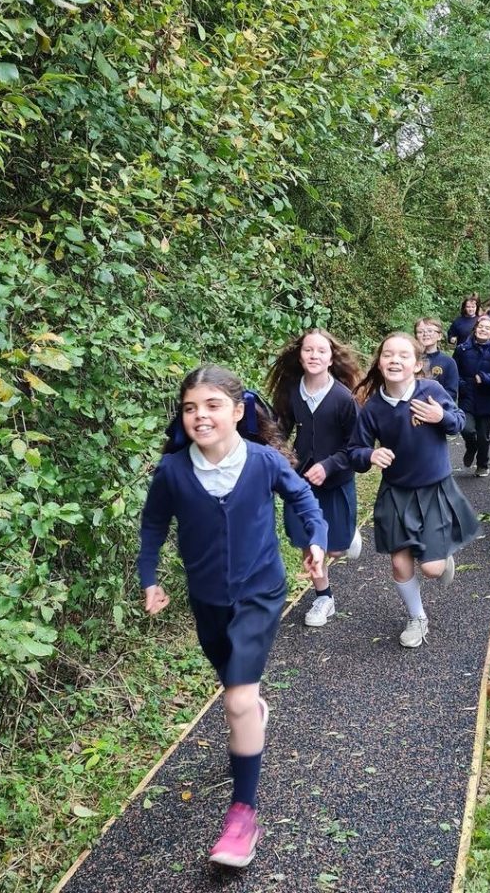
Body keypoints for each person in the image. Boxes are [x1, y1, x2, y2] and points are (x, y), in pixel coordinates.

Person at [138, 365, 327, 868]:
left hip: (260, 593)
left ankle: (243, 815)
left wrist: (314, 539)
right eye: (190, 408)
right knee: (233, 690)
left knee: (238, 698)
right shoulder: (174, 471)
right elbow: (153, 525)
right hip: (207, 601)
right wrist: (149, 578)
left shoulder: (263, 461)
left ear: (238, 411)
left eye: (212, 405)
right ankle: (249, 714)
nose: (200, 415)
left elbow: (303, 498)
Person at [349, 333, 480, 648]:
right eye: (388, 354)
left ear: (417, 364)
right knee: (399, 562)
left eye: (403, 355)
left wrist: (441, 416)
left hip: (434, 488)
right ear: (379, 362)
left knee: (433, 570)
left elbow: (460, 422)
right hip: (396, 492)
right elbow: (355, 451)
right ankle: (417, 617)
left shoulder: (431, 390)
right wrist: (370, 455)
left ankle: (441, 557)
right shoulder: (373, 407)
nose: (395, 360)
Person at [266, 328, 362, 628]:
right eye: (309, 350)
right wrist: (282, 457)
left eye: (321, 351)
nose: (314, 356)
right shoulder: (292, 391)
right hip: (302, 482)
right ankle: (324, 598)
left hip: (336, 481)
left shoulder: (344, 398)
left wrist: (330, 465)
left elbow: (356, 446)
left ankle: (346, 537)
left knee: (335, 548)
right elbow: (278, 431)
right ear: (300, 354)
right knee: (309, 542)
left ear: (331, 358)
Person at [453, 315, 490, 477]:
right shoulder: (462, 350)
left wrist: (485, 378)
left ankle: (482, 464)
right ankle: (471, 447)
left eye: (487, 328)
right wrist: (462, 385)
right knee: (466, 430)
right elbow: (454, 372)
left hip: (489, 399)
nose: (483, 329)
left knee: (483, 437)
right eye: (481, 326)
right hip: (467, 398)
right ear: (475, 329)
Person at [415, 317, 459, 400]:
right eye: (420, 332)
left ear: (439, 336)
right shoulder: (410, 359)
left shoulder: (448, 362)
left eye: (430, 331)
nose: (425, 334)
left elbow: (451, 393)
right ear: (416, 336)